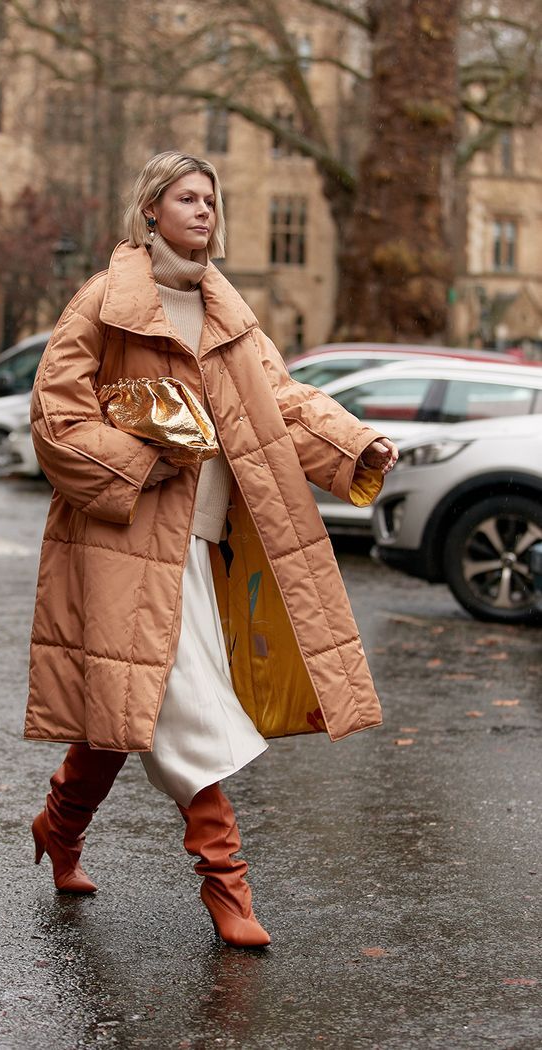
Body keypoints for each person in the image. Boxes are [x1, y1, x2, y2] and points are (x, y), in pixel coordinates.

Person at [25, 151, 398, 948]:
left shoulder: (230, 311)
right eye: (187, 197)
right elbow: (57, 420)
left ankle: (59, 826)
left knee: (128, 705)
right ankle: (227, 886)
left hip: (207, 544)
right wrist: (147, 457)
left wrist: (355, 443)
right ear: (150, 210)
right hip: (125, 541)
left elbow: (282, 404)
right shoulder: (104, 301)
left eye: (211, 198)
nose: (204, 210)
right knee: (186, 702)